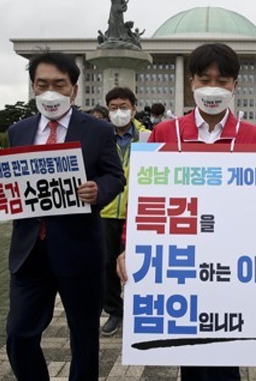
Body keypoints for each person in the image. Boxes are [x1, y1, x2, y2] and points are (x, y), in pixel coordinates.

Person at [117, 42, 256, 381]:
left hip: (230, 260)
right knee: (191, 349)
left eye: (223, 80)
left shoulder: (252, 136)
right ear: (191, 83)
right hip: (183, 257)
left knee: (228, 346)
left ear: (235, 86)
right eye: (204, 79)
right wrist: (129, 245)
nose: (213, 88)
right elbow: (143, 195)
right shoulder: (165, 134)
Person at [0, 52, 125, 381]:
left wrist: (97, 191)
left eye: (59, 84)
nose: (50, 92)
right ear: (32, 87)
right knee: (19, 334)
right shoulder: (19, 130)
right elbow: (11, 181)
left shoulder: (98, 130)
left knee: (84, 339)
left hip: (79, 250)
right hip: (30, 252)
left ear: (74, 88)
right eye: (42, 84)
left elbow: (115, 177)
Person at [100, 86, 148, 336]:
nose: (119, 112)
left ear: (134, 108)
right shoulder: (99, 137)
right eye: (113, 108)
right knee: (107, 265)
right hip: (106, 212)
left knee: (138, 263)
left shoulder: (148, 137)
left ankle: (139, 309)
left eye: (124, 107)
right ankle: (114, 311)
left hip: (139, 212)